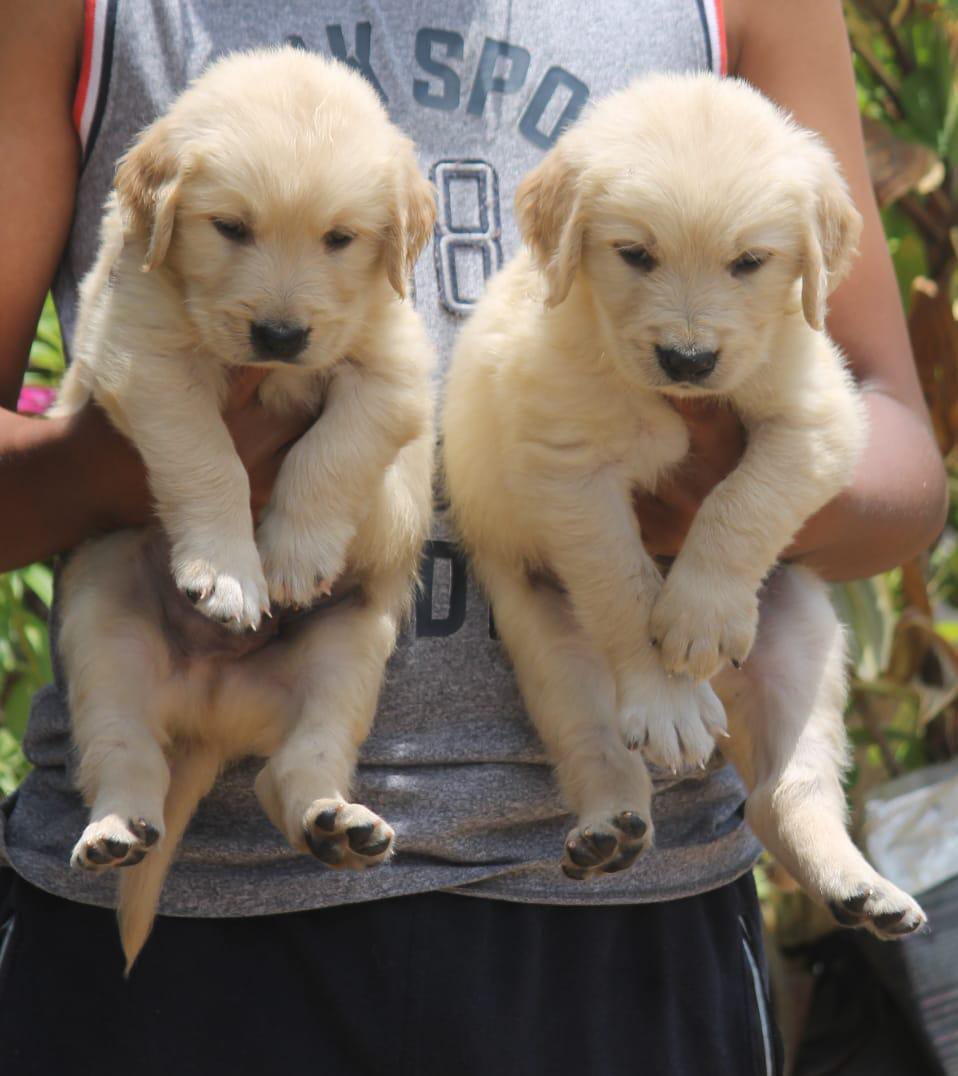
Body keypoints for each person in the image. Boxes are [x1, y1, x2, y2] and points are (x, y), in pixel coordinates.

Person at [0, 2, 946, 1073]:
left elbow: (897, 455)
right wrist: (149, 467)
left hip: (630, 913)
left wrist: (725, 515)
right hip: (193, 925)